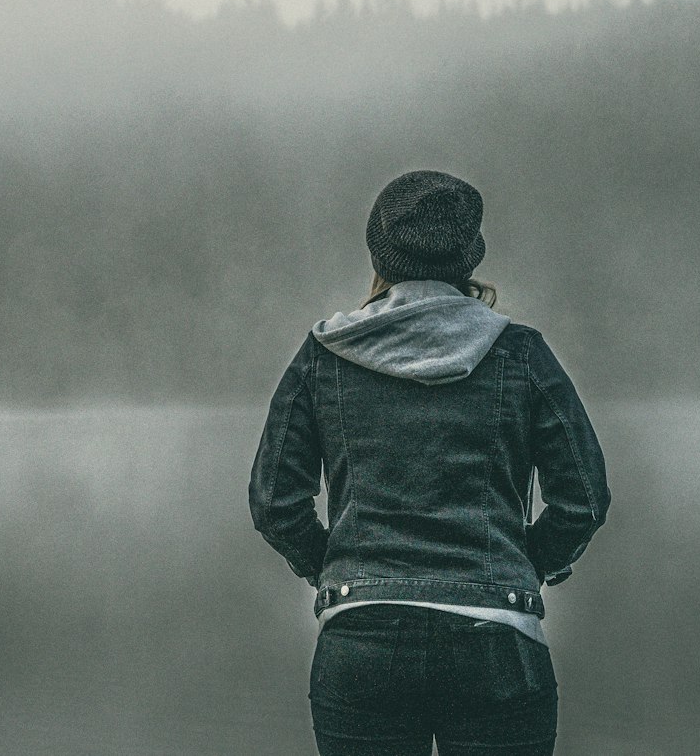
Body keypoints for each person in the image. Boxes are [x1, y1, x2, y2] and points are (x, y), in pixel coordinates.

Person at [249, 169, 611, 756]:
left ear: (379, 253)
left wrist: (337, 567)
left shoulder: (323, 356)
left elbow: (274, 504)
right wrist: (523, 566)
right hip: (497, 643)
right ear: (469, 257)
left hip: (360, 644)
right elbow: (584, 501)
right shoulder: (521, 354)